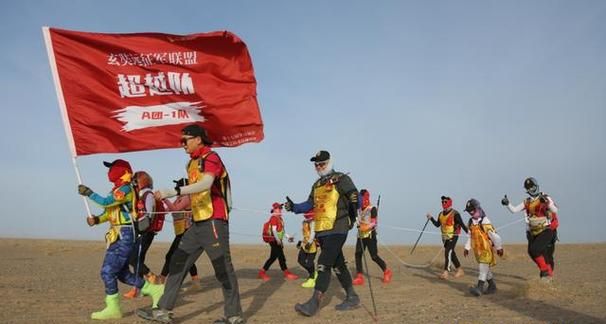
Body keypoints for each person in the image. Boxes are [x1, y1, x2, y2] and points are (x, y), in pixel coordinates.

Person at [137, 124, 244, 324]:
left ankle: (234, 316)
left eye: (184, 140)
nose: (182, 144)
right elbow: (195, 191)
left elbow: (206, 184)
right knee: (177, 262)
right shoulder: (191, 164)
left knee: (222, 268)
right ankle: (163, 311)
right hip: (196, 224)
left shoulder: (211, 157)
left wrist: (174, 191)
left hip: (214, 221)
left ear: (198, 139)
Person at [77, 159, 164, 320]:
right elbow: (110, 212)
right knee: (122, 273)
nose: (109, 172)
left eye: (113, 168)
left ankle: (113, 308)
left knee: (107, 271)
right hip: (118, 233)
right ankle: (154, 290)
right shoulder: (117, 189)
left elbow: (105, 202)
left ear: (122, 170)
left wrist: (89, 193)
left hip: (124, 234)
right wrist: (97, 220)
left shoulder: (125, 189)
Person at [285, 150, 360, 317]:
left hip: (338, 228)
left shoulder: (342, 179)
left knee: (323, 263)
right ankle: (352, 296)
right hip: (322, 231)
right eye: (316, 164)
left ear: (330, 162)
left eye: (322, 164)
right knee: (338, 264)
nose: (319, 167)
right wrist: (294, 207)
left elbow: (355, 196)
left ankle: (314, 302)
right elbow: (309, 204)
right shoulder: (317, 185)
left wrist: (355, 200)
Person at [501, 177, 559, 280]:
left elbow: (555, 210)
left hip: (546, 230)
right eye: (529, 188)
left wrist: (546, 202)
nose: (532, 190)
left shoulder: (545, 197)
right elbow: (514, 210)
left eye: (533, 187)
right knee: (532, 252)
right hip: (533, 232)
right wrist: (507, 204)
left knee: (539, 251)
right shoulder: (527, 202)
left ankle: (546, 273)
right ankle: (545, 273)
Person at [124, 171, 162, 298]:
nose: (133, 183)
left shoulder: (148, 194)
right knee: (138, 260)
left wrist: (142, 226)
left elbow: (150, 214)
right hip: (140, 231)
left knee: (134, 259)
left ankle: (151, 277)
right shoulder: (139, 194)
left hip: (146, 231)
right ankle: (137, 288)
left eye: (135, 180)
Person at [159, 178, 199, 287]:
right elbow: (169, 209)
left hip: (186, 231)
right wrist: (158, 210)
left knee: (170, 255)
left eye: (178, 187)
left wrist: (165, 199)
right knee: (186, 256)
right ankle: (196, 282)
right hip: (180, 232)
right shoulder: (179, 199)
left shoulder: (187, 198)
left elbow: (175, 209)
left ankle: (161, 281)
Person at [463, 198, 504, 297]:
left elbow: (495, 236)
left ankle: (479, 288)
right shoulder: (470, 222)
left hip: (486, 249)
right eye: (469, 211)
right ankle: (492, 286)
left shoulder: (485, 221)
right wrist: (467, 247)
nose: (471, 213)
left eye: (472, 210)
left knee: (482, 267)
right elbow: (470, 236)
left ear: (478, 208)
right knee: (486, 269)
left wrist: (499, 247)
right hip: (478, 250)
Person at [352, 189, 392, 286]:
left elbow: (374, 222)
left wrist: (366, 227)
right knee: (358, 254)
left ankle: (386, 271)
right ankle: (359, 276)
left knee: (374, 256)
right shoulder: (359, 209)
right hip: (361, 235)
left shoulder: (372, 208)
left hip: (370, 235)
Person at [426, 195, 468, 280]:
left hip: (453, 235)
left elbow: (462, 225)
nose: (443, 203)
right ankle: (460, 270)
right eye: (442, 202)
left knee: (447, 251)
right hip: (444, 237)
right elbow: (437, 225)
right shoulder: (440, 214)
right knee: (451, 253)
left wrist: (469, 233)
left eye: (445, 202)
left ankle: (446, 272)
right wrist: (431, 218)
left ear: (449, 203)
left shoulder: (455, 214)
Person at [259, 203, 299, 281]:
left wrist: (288, 237)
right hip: (274, 241)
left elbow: (282, 231)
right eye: (278, 208)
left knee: (273, 257)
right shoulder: (274, 218)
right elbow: (274, 230)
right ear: (274, 209)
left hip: (277, 240)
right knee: (281, 257)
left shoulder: (280, 219)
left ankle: (262, 272)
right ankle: (287, 273)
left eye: (281, 208)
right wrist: (277, 240)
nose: (280, 209)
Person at [297, 210, 318, 288]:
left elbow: (313, 233)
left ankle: (312, 279)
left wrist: (309, 243)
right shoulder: (304, 222)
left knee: (309, 262)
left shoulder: (313, 222)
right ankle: (313, 273)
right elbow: (304, 233)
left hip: (312, 245)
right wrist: (300, 242)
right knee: (300, 260)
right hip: (304, 244)